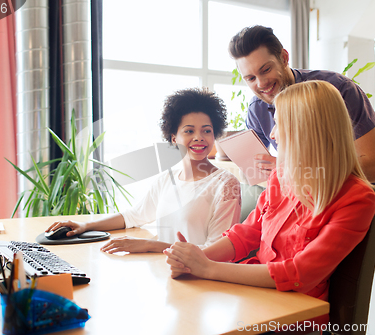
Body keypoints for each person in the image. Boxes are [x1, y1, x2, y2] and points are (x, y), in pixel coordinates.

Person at [164, 81, 375, 329]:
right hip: (252, 298)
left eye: (279, 124)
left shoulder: (357, 198)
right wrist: (196, 260)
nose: (273, 134)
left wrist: (208, 268)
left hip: (294, 318)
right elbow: (247, 234)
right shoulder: (281, 176)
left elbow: (300, 274)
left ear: (305, 131)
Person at [46, 87, 241, 253]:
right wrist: (86, 226)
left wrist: (150, 245)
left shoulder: (226, 184)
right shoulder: (168, 179)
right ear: (174, 138)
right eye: (189, 131)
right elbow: (134, 215)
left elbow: (216, 251)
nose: (199, 137)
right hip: (166, 273)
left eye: (206, 130)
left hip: (201, 281)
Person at [229, 25, 375, 195]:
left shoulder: (338, 90)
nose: (261, 84)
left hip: (360, 195)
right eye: (250, 78)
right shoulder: (257, 109)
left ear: (284, 58)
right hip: (309, 198)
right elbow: (251, 173)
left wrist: (294, 170)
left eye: (266, 70)